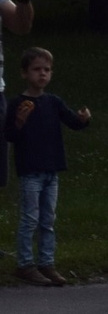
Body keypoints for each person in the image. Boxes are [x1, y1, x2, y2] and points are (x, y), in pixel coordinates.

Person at [8, 47, 89, 285]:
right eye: (36, 70)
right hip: (30, 171)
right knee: (30, 219)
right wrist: (20, 121)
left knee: (48, 219)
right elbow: (10, 135)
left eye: (46, 70)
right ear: (24, 73)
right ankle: (25, 264)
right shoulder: (18, 103)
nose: (42, 74)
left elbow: (73, 122)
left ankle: (46, 262)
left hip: (51, 171)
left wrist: (84, 119)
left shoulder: (53, 102)